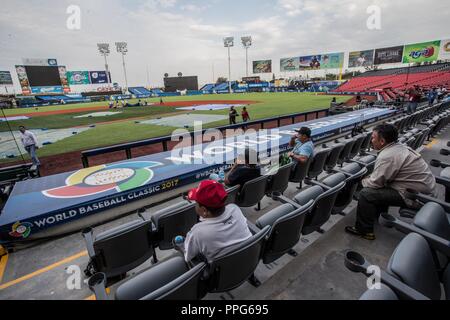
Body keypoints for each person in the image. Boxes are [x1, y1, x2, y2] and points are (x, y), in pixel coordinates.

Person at [345, 124, 436, 241]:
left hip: (416, 197)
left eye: (373, 138)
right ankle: (378, 216)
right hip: (423, 191)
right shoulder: (398, 147)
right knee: (380, 188)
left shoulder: (387, 156)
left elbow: (374, 183)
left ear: (382, 141)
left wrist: (362, 180)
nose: (371, 140)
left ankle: (364, 230)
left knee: (366, 193)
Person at [180, 180, 252, 263]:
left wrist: (181, 246)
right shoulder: (235, 209)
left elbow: (188, 257)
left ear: (204, 210)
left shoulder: (197, 232)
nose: (195, 205)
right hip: (247, 261)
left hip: (222, 273)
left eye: (196, 203)